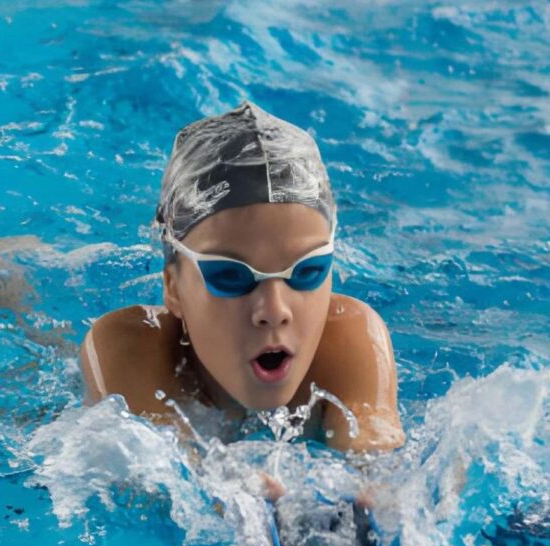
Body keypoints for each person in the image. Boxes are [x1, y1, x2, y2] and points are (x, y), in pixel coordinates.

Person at [79, 101, 405, 456]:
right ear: (173, 289)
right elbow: (158, 469)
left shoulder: (350, 339)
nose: (274, 311)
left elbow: (376, 459)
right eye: (230, 275)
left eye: (307, 271)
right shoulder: (128, 348)